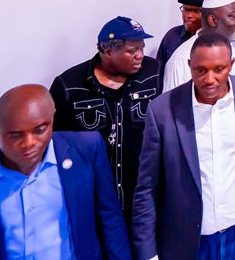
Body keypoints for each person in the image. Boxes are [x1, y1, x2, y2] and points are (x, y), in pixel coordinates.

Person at [133, 33, 235, 260]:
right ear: (190, 66)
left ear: (231, 65)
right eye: (200, 70)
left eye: (219, 69)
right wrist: (147, 252)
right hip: (191, 238)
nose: (209, 79)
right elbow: (147, 186)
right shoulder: (162, 111)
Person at [0, 85, 131, 260]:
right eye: (15, 135)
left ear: (52, 119)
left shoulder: (87, 150)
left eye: (40, 130)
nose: (29, 143)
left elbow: (110, 220)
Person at [50, 16, 160, 227]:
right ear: (108, 51)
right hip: (94, 205)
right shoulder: (69, 86)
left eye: (142, 48)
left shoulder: (153, 73)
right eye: (132, 51)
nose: (140, 56)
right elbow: (57, 144)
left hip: (144, 201)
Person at [156, 0, 206, 72]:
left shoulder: (216, 40)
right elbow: (158, 73)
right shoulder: (171, 37)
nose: (189, 15)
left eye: (196, 11)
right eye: (186, 10)